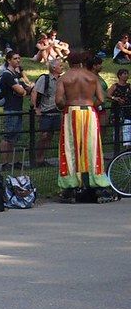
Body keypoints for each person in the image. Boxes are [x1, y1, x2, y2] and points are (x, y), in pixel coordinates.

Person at [55, 50, 107, 198]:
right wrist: (91, 104)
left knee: (70, 148)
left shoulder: (64, 78)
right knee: (92, 147)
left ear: (69, 62)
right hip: (89, 112)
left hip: (71, 111)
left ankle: (70, 185)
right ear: (82, 62)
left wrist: (66, 105)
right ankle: (96, 182)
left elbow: (59, 101)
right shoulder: (92, 77)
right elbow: (102, 99)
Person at [0, 50, 30, 169]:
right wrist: (24, 90)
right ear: (9, 60)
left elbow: (25, 88)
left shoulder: (17, 74)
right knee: (7, 136)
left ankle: (14, 162)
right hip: (10, 108)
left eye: (19, 58)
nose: (18, 60)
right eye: (15, 58)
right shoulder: (7, 75)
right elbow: (21, 90)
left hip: (18, 108)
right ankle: (4, 163)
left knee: (15, 136)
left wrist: (24, 90)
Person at [31, 59, 63, 165]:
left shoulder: (61, 80)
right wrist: (35, 108)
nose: (62, 67)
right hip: (46, 112)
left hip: (57, 112)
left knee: (50, 137)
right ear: (54, 68)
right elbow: (35, 92)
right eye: (60, 66)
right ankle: (37, 158)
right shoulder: (44, 79)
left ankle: (42, 158)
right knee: (44, 136)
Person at [108, 67, 131, 150]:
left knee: (127, 126)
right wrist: (115, 98)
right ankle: (116, 145)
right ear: (119, 76)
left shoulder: (129, 86)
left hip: (127, 109)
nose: (126, 75)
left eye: (127, 73)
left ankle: (127, 146)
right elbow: (108, 95)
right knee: (117, 126)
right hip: (117, 109)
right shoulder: (115, 86)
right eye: (124, 74)